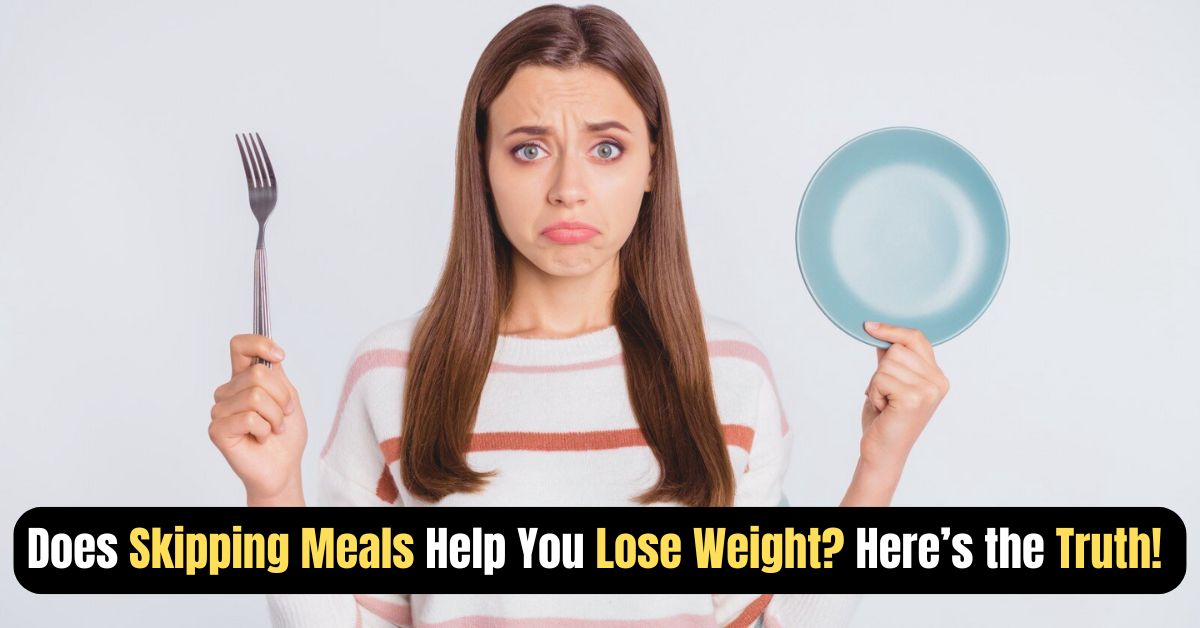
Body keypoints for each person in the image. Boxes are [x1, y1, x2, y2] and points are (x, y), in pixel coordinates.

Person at [209, 4, 949, 626]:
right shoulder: (394, 372)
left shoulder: (730, 373)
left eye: (606, 147)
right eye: (530, 149)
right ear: (484, 165)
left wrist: (879, 468)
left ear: (653, 163)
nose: (569, 188)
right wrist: (274, 494)